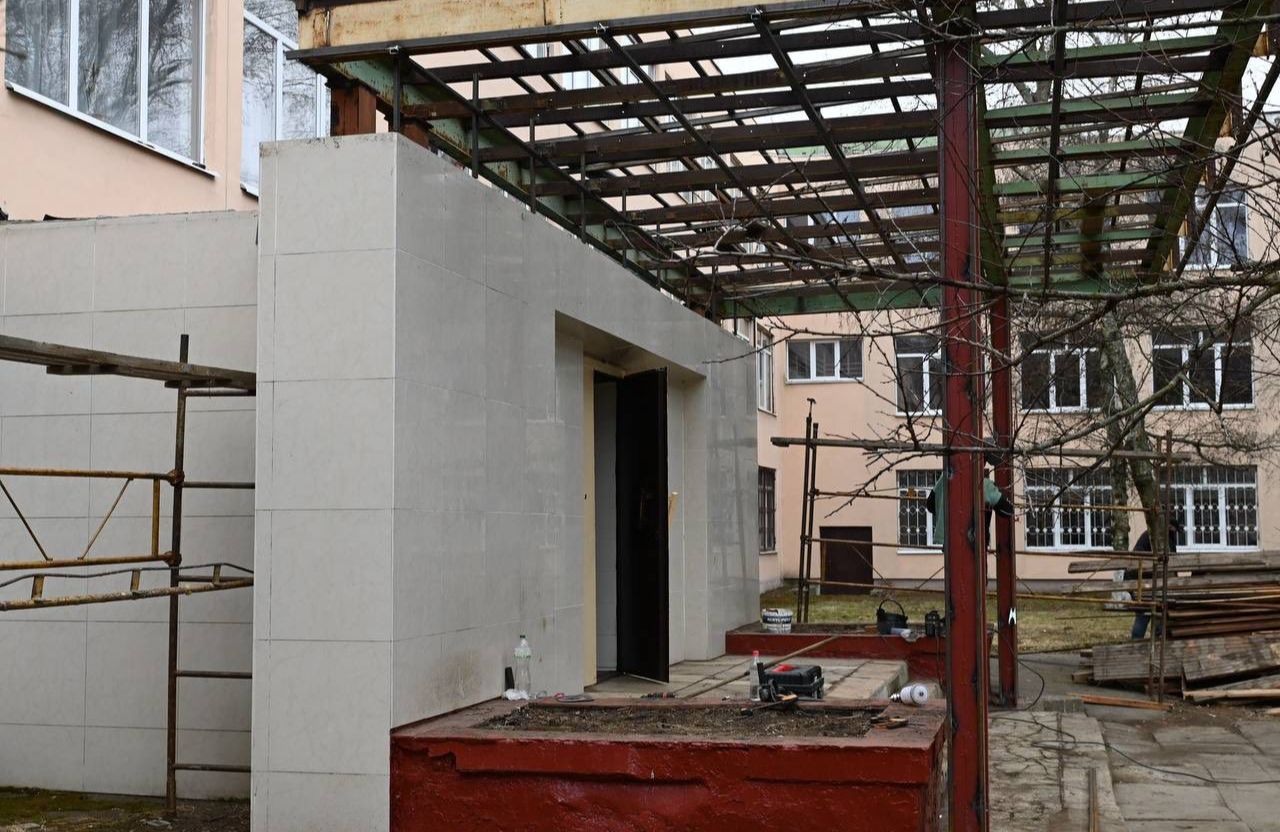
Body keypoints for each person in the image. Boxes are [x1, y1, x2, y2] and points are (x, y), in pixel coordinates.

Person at [925, 468, 1014, 549]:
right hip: (975, 545)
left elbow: (930, 505)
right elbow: (1008, 511)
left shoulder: (945, 478)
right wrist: (995, 490)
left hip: (949, 542)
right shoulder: (983, 484)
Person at [1128, 519, 1183, 640]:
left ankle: (1154, 641)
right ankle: (1137, 642)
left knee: (1157, 614)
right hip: (1143, 582)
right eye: (1173, 529)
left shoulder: (1163, 537)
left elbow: (1171, 563)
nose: (1174, 532)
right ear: (1168, 526)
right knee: (1144, 613)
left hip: (1152, 583)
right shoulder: (1155, 537)